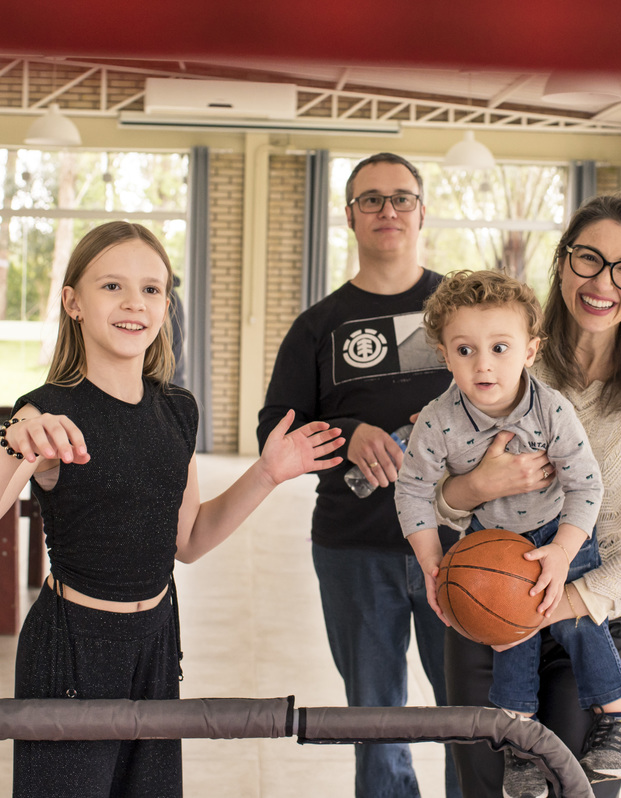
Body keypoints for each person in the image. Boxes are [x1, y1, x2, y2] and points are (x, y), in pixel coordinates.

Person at [0, 221, 344, 798]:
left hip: (155, 641)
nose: (135, 304)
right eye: (112, 287)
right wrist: (15, 440)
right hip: (73, 650)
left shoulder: (176, 410)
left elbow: (190, 540)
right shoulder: (48, 413)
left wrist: (267, 474)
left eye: (152, 289)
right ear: (73, 302)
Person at [430, 196, 621, 798]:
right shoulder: (506, 354)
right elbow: (435, 496)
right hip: (491, 621)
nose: (602, 282)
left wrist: (561, 600)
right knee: (484, 790)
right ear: (562, 265)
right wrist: (475, 486)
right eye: (589, 259)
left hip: (599, 624)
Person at [257, 152, 461, 798]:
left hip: (460, 547)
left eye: (401, 198)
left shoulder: (462, 310)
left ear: (422, 212)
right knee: (376, 721)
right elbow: (274, 433)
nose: (387, 211)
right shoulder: (319, 327)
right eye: (371, 199)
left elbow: (516, 402)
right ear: (349, 217)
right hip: (354, 545)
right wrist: (348, 437)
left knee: (473, 715)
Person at [395, 270, 621, 795]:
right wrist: (429, 558)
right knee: (510, 635)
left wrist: (562, 553)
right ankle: (521, 745)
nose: (483, 363)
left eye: (500, 347)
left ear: (530, 351)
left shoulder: (552, 409)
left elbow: (587, 489)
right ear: (444, 354)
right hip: (494, 540)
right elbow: (413, 491)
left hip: (560, 532)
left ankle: (618, 721)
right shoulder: (438, 420)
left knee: (579, 623)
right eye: (465, 350)